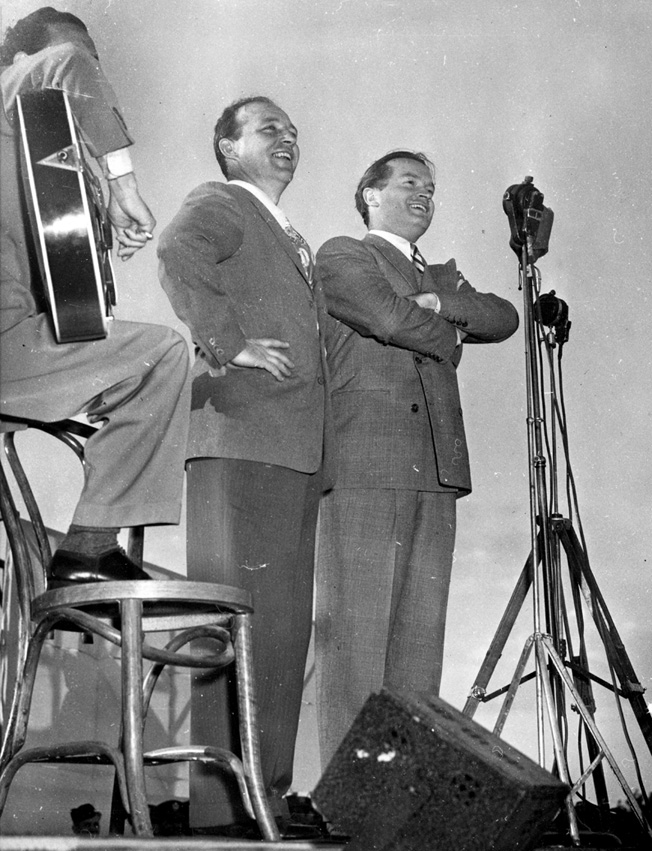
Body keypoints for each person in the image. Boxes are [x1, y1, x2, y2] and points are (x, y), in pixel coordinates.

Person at [158, 96, 331, 837]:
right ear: (229, 150)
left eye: (293, 129)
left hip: (291, 453)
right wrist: (230, 344)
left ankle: (268, 794)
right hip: (241, 440)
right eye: (269, 129)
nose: (288, 137)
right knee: (235, 626)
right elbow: (176, 253)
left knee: (283, 633)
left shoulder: (291, 235)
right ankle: (223, 807)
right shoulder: (224, 202)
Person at [314, 150, 520, 766]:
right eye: (410, 184)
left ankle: (397, 789)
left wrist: (437, 302)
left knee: (417, 645)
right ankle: (343, 795)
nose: (426, 195)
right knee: (357, 637)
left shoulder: (437, 276)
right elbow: (386, 317)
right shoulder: (344, 254)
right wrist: (445, 325)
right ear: (371, 195)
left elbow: (505, 317)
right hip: (365, 463)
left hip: (436, 469)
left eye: (431, 187)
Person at [0, 7, 190, 584]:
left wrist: (101, 219)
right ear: (16, 62)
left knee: (148, 364)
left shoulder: (38, 157)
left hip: (17, 348)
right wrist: (123, 183)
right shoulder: (9, 92)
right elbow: (68, 63)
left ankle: (88, 549)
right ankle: (87, 547)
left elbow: (64, 279)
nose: (88, 76)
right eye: (77, 59)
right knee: (161, 355)